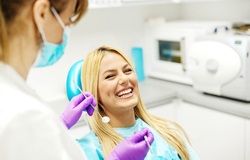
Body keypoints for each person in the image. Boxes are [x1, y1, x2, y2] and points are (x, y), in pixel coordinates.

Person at [0, 0, 154, 159]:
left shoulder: (13, 98)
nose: (64, 34)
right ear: (42, 13)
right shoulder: (23, 115)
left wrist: (60, 124)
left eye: (128, 70)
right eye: (68, 21)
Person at [77, 45, 200, 160]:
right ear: (94, 92)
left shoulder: (166, 131)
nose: (124, 79)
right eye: (110, 76)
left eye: (128, 71)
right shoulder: (88, 150)